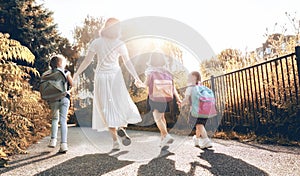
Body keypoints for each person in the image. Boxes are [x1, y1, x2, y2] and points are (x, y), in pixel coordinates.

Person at [73, 18, 143, 150]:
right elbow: (127, 62)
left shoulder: (97, 42)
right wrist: (136, 77)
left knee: (106, 108)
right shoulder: (120, 43)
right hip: (115, 76)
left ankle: (115, 141)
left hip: (101, 77)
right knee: (121, 103)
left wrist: (76, 74)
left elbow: (87, 60)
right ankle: (122, 128)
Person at [143, 51, 181, 148]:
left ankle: (166, 135)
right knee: (162, 118)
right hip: (165, 97)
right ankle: (163, 140)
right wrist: (178, 99)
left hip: (155, 97)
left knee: (157, 118)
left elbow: (146, 84)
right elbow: (173, 87)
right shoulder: (167, 72)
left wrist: (139, 84)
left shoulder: (150, 71)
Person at [44, 54, 73, 153]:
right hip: (65, 98)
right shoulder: (65, 72)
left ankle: (53, 140)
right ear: (60, 63)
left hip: (53, 99)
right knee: (63, 121)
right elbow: (72, 84)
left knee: (55, 119)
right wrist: (69, 90)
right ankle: (63, 144)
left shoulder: (48, 73)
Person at [181, 71, 212, 149]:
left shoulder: (190, 88)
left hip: (195, 111)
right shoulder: (202, 87)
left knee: (199, 125)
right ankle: (197, 139)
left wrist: (181, 104)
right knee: (198, 125)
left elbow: (186, 100)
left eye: (189, 77)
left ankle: (206, 140)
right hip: (205, 110)